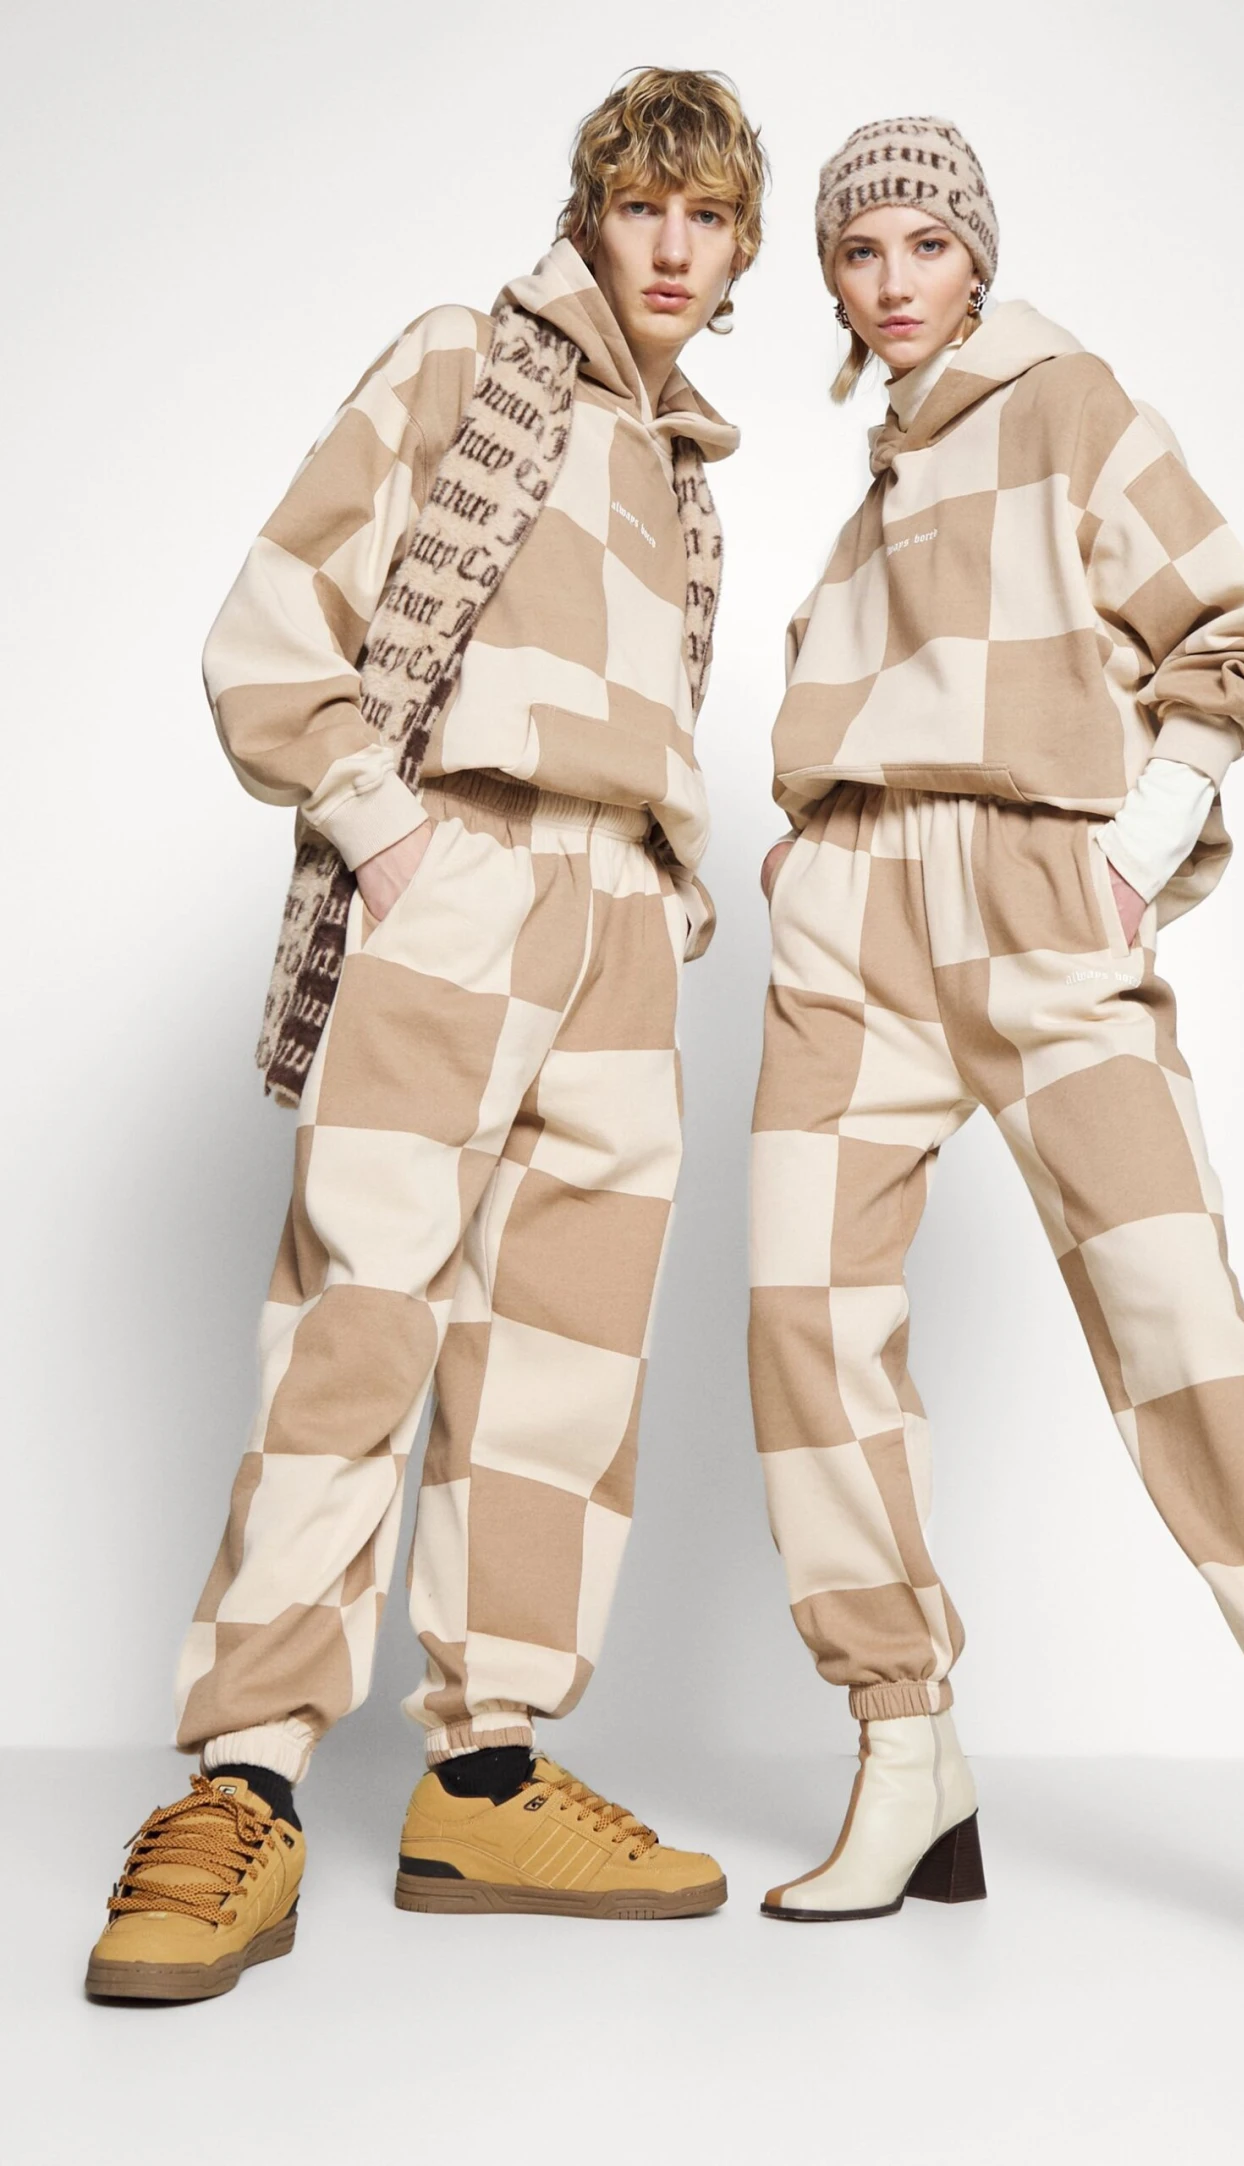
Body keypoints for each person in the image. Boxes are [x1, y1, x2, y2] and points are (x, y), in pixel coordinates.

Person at [748, 115, 1244, 2027]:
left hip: (1036, 905)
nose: (892, 280)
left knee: (1178, 1328)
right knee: (805, 1322)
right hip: (852, 923)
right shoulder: (876, 479)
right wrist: (813, 856)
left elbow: (1238, 636)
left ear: (977, 256)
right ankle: (905, 1754)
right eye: (859, 250)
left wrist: (1132, 850)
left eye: (924, 243)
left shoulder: (1071, 403)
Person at [85, 67, 767, 2004]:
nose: (670, 246)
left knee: (563, 1357)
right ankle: (245, 1783)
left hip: (624, 920)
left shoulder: (689, 478)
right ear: (590, 213)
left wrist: (658, 899)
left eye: (708, 219)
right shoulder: (467, 362)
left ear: (737, 258)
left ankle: (484, 1774)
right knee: (357, 1320)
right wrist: (389, 837)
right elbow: (272, 629)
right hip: (455, 869)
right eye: (641, 205)